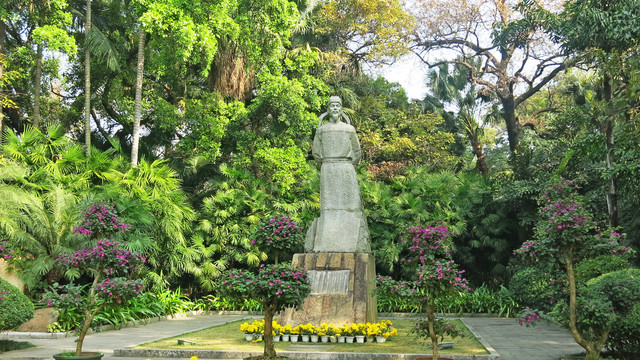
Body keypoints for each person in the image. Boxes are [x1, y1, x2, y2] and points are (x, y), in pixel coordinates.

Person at [306, 96, 370, 253]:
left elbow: (357, 151)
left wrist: (347, 165)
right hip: (328, 167)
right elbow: (316, 153)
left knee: (351, 203)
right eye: (332, 105)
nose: (335, 108)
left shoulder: (349, 129)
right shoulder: (321, 130)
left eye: (337, 106)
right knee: (328, 205)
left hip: (346, 167)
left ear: (341, 109)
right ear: (328, 109)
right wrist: (327, 164)